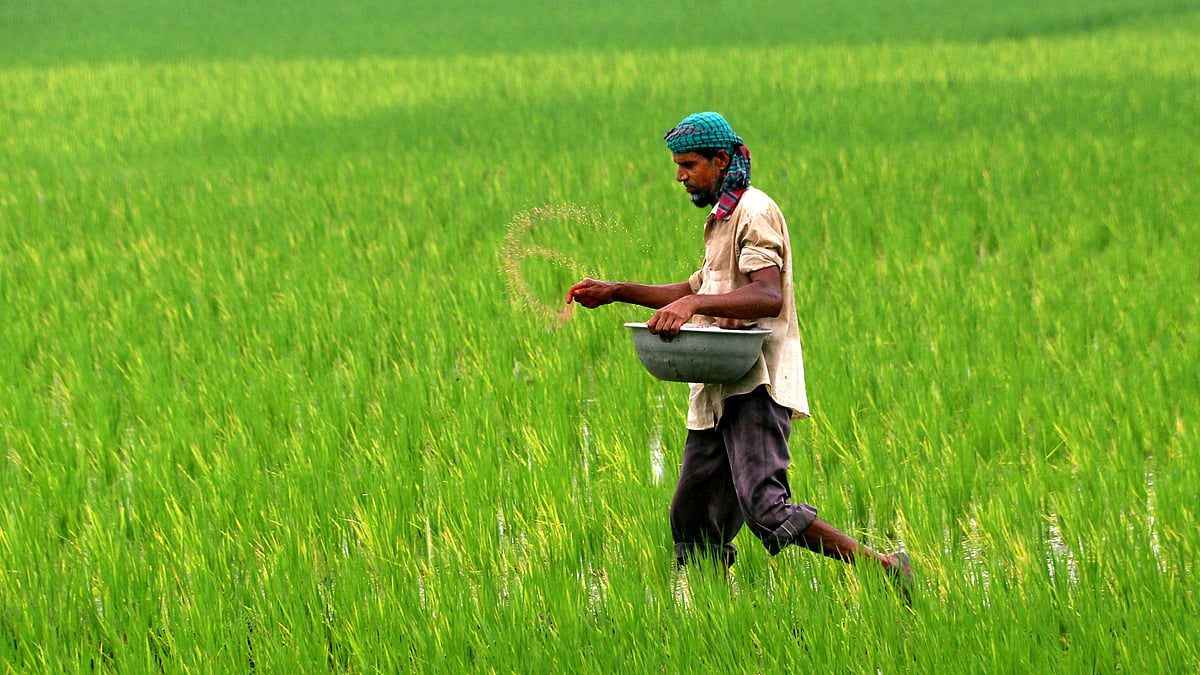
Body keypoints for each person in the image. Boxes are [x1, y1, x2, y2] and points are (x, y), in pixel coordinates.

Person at [567, 112, 912, 599]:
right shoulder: (721, 220)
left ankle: (887, 568)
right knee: (693, 515)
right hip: (716, 386)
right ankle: (720, 619)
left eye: (688, 165)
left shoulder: (754, 211)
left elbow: (766, 295)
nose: (680, 176)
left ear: (720, 160)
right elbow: (696, 288)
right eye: (677, 165)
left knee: (766, 508)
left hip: (755, 383)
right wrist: (618, 290)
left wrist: (694, 304)